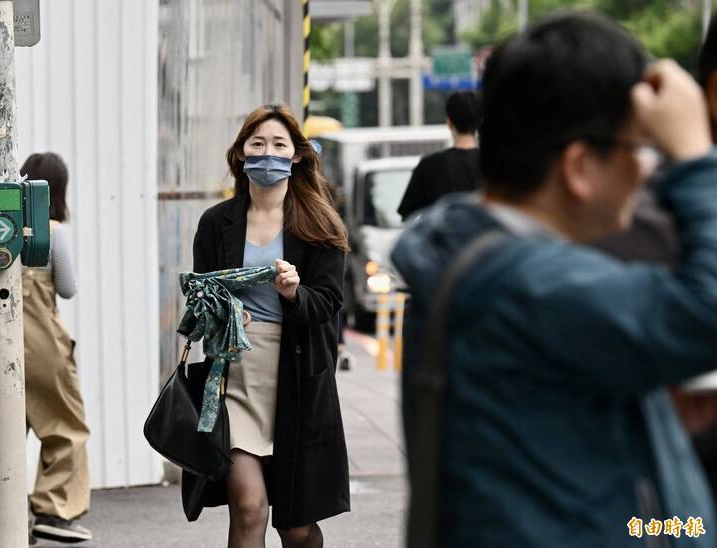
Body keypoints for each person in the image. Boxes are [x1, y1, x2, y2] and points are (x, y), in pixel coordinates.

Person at [392, 12, 717, 547]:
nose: (647, 169)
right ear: (580, 167)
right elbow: (708, 311)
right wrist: (696, 156)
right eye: (639, 148)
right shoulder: (527, 283)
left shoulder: (477, 258)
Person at [191, 104, 350, 547]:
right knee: (248, 507)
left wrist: (295, 293)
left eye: (279, 144)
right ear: (241, 153)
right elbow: (200, 296)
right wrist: (225, 312)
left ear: (296, 155)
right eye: (257, 143)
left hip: (298, 378)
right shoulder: (216, 223)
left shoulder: (319, 222)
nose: (267, 153)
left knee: (295, 528)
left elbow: (330, 301)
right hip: (236, 376)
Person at [0, 153, 92, 544]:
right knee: (65, 429)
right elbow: (67, 288)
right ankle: (53, 511)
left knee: (5, 433)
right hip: (46, 348)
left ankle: (10, 519)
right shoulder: (53, 233)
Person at [396, 91, 481, 220]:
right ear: (479, 122)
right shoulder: (496, 166)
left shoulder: (428, 166)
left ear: (449, 122)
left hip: (441, 232)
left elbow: (408, 215)